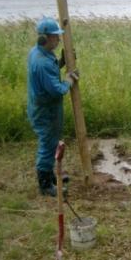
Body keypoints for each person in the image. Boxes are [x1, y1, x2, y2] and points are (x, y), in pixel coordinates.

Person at [27, 17, 78, 197]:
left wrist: (62, 63)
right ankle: (45, 185)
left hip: (45, 107)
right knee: (47, 145)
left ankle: (50, 176)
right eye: (55, 37)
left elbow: (50, 71)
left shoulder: (39, 53)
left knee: (50, 142)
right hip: (45, 110)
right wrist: (69, 81)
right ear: (45, 38)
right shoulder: (41, 62)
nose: (58, 40)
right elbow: (56, 90)